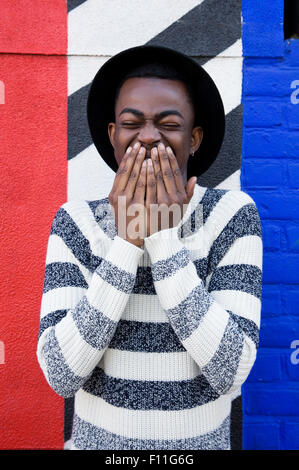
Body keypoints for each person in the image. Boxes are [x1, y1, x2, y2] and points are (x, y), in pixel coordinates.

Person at [37, 45, 263, 450]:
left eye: (168, 123)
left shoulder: (231, 214)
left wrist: (161, 238)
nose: (148, 136)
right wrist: (127, 241)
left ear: (193, 139)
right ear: (113, 136)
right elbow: (61, 374)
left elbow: (231, 369)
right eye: (132, 122)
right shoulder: (76, 222)